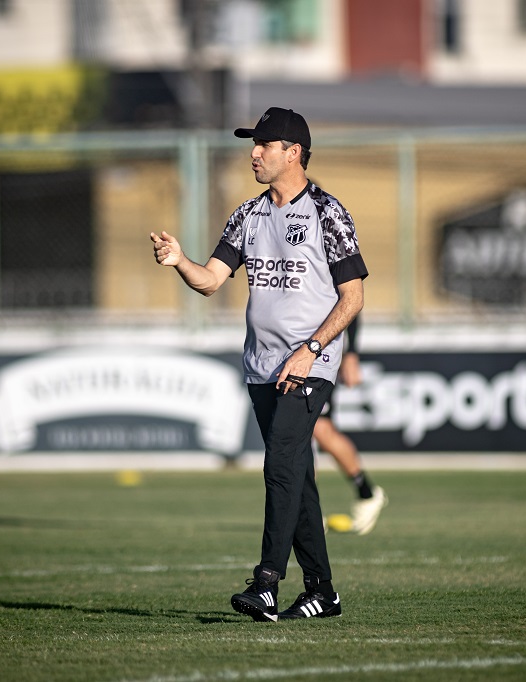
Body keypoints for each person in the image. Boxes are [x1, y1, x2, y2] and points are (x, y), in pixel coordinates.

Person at [150, 107, 367, 622]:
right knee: (297, 475)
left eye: (263, 145)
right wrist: (180, 261)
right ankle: (322, 592)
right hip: (260, 367)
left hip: (309, 364)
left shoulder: (328, 212)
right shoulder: (247, 215)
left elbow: (353, 297)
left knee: (280, 464)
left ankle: (267, 582)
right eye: (254, 144)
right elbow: (210, 281)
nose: (253, 153)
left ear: (293, 153)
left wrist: (311, 349)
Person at [313, 315, 388, 535]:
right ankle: (308, 509)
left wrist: (351, 353)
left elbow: (351, 302)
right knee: (312, 431)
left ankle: (366, 493)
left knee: (318, 428)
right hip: (289, 353)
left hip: (319, 356)